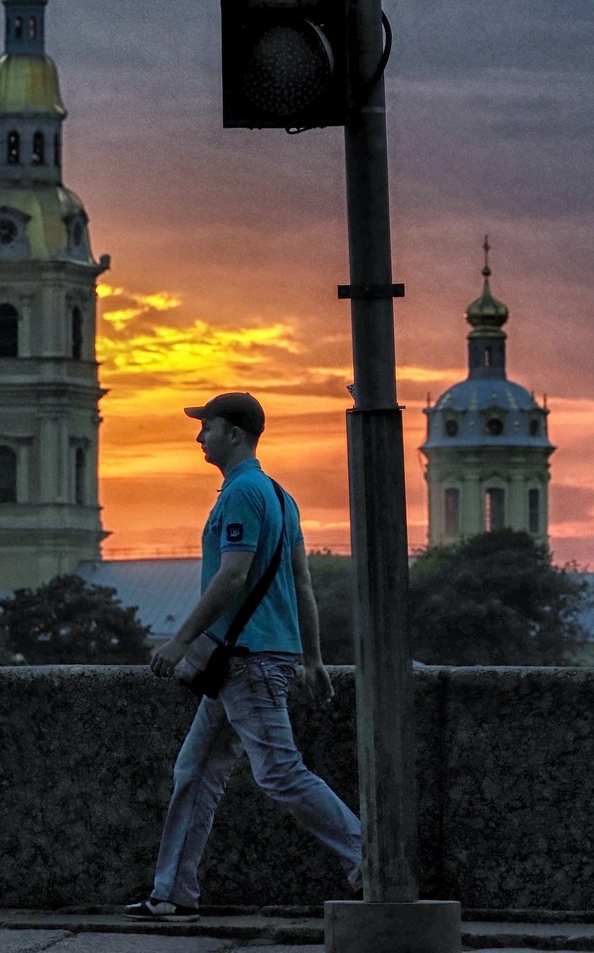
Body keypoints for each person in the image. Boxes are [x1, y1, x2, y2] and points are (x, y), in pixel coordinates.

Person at [126, 391, 362, 921]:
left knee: (280, 771)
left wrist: (180, 640)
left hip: (245, 659)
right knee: (194, 770)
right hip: (260, 654)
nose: (199, 436)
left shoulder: (240, 495)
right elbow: (301, 581)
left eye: (206, 427)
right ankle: (172, 893)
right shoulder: (280, 495)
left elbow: (233, 576)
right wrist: (312, 657)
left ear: (233, 433)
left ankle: (372, 859)